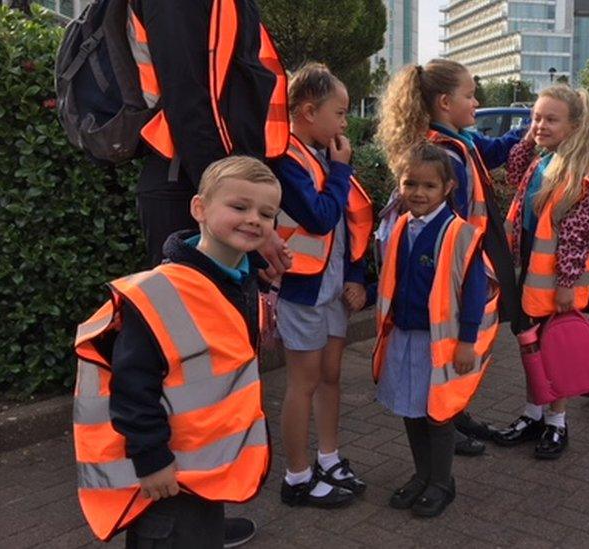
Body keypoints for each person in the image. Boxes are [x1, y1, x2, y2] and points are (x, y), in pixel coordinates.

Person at [72, 157, 282, 547]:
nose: (254, 219)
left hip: (203, 469)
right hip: (167, 478)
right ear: (199, 208)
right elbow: (133, 388)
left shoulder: (238, 277)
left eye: (266, 213)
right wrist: (151, 460)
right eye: (239, 207)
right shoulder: (161, 294)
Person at [376, 59, 549, 451]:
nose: (476, 102)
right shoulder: (444, 154)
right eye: (469, 95)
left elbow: (493, 150)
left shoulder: (459, 141)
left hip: (470, 255)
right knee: (459, 343)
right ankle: (444, 423)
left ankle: (451, 413)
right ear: (443, 102)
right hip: (458, 264)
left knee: (462, 344)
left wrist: (530, 130)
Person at [372, 143, 499, 517]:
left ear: (447, 188)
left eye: (429, 186)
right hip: (406, 336)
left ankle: (442, 483)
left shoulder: (460, 234)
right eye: (410, 184)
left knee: (438, 414)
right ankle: (422, 475)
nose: (419, 193)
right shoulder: (399, 227)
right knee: (411, 411)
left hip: (441, 343)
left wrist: (466, 342)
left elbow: (474, 292)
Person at [271, 63, 373, 508]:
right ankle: (297, 476)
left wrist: (356, 277)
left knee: (330, 377)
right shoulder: (286, 158)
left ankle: (327, 457)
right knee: (304, 382)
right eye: (341, 112)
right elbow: (319, 215)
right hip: (303, 290)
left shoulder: (317, 155)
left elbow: (348, 226)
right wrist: (341, 170)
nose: (345, 122)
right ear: (309, 111)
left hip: (332, 289)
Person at [128, 0, 290, 274]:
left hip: (209, 184)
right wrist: (245, 210)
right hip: (189, 181)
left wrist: (254, 214)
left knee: (226, 310)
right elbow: (186, 101)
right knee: (191, 309)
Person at [491, 85, 589, 459]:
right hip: (530, 274)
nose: (540, 125)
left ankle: (556, 420)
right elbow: (512, 170)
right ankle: (533, 411)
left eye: (550, 119)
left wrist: (566, 286)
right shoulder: (542, 161)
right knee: (531, 347)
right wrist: (531, 133)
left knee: (552, 350)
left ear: (573, 126)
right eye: (536, 117)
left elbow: (574, 240)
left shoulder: (576, 176)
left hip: (553, 283)